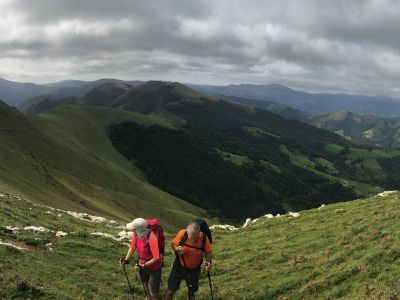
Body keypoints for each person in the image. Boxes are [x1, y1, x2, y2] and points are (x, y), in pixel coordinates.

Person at [164, 222, 213, 300]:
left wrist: (208, 262)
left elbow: (208, 252)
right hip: (179, 267)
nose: (193, 241)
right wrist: (177, 249)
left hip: (194, 270)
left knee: (191, 292)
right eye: (191, 238)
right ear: (187, 232)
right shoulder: (182, 234)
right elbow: (173, 244)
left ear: (199, 233)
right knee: (170, 290)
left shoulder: (204, 238)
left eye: (195, 238)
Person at [120, 218, 162, 300]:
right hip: (141, 263)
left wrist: (144, 265)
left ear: (138, 229)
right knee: (145, 283)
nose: (132, 230)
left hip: (154, 267)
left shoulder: (152, 237)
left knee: (154, 293)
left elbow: (157, 257)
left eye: (134, 229)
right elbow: (132, 247)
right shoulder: (136, 235)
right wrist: (126, 260)